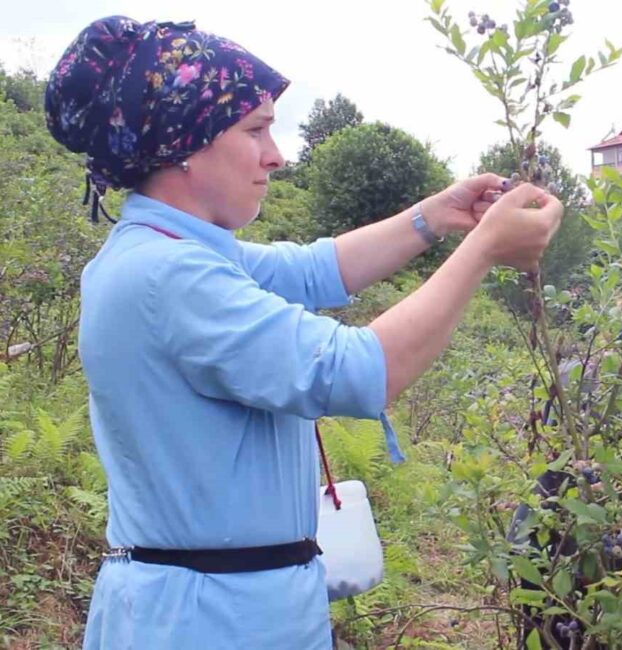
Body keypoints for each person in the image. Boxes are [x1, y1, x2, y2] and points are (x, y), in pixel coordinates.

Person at [43, 15, 563, 650]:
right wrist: (483, 248)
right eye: (255, 130)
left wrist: (437, 216)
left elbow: (315, 270)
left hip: (221, 607)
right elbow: (357, 372)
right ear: (183, 143)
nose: (276, 155)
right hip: (209, 622)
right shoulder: (168, 276)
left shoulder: (169, 253)